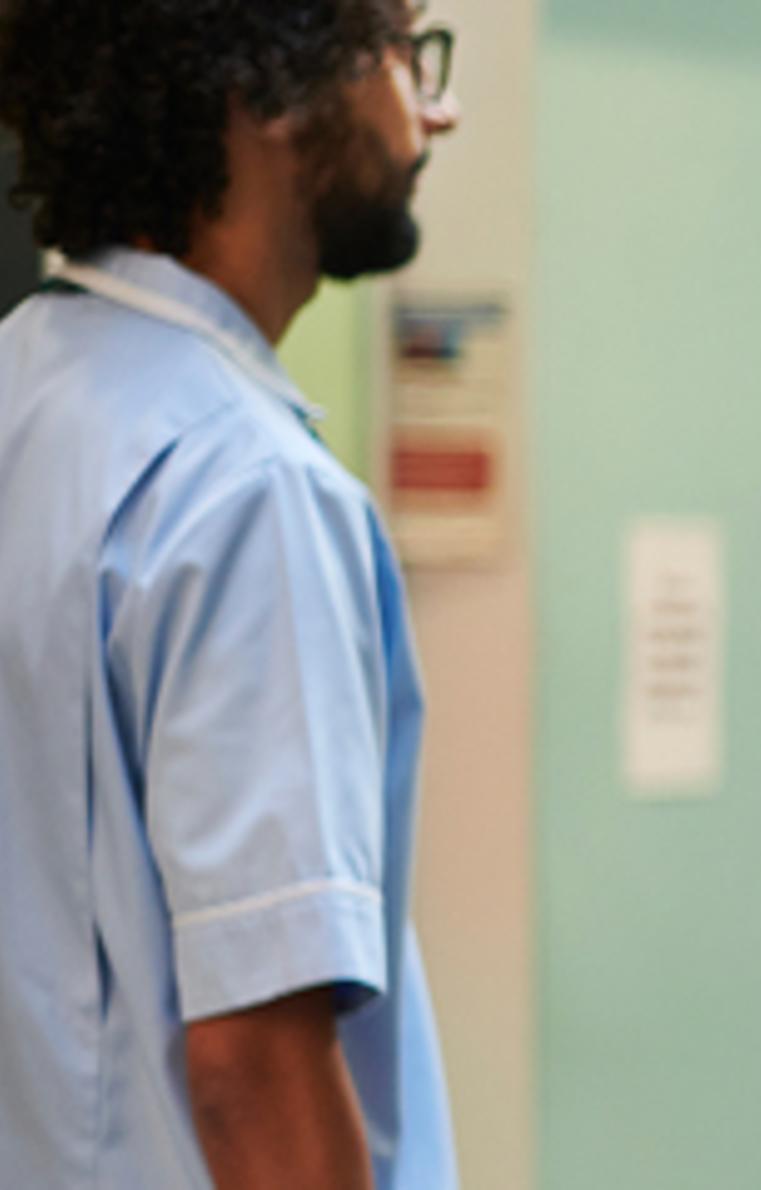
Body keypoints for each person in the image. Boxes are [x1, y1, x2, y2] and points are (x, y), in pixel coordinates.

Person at [0, 1, 463, 1187]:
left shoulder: (22, 391)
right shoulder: (248, 488)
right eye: (402, 53)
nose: (438, 110)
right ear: (272, 83)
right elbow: (254, 1069)